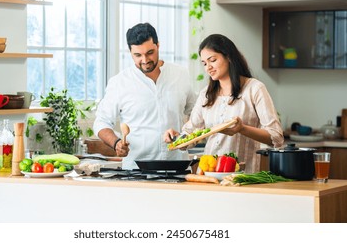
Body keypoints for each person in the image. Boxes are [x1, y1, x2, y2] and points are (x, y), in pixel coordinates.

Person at [164, 34, 284, 173]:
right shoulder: (206, 94)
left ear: (228, 56)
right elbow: (191, 131)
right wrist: (177, 138)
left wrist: (242, 128)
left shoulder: (254, 89)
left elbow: (276, 137)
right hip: (209, 175)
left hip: (242, 176)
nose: (208, 67)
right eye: (204, 63)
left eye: (212, 60)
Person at [93, 23, 197, 169]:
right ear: (130, 52)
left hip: (178, 167)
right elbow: (101, 122)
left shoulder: (180, 74)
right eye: (137, 55)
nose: (145, 60)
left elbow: (196, 114)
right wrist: (116, 143)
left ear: (158, 45)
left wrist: (186, 136)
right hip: (136, 170)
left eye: (150, 52)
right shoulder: (119, 83)